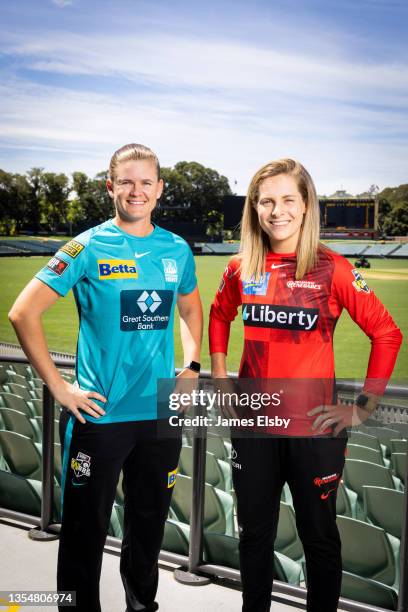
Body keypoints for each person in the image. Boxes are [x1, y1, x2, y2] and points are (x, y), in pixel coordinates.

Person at [9, 143, 203, 612]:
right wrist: (59, 386)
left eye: (146, 182)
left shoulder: (176, 248)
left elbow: (192, 308)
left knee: (149, 522)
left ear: (159, 189)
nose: (136, 191)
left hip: (157, 411)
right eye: (126, 181)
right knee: (84, 529)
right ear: (110, 187)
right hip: (100, 413)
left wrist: (192, 365)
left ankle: (142, 606)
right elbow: (23, 312)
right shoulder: (86, 245)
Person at [209, 159, 402, 612]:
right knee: (254, 534)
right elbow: (219, 315)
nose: (277, 211)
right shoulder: (241, 267)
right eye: (266, 200)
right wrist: (219, 375)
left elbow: (387, 333)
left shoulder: (331, 268)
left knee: (319, 538)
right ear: (254, 208)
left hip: (314, 432)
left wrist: (361, 410)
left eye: (287, 200)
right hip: (254, 428)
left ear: (306, 205)